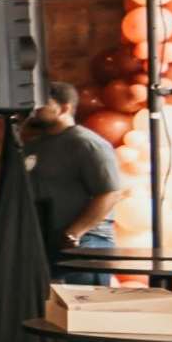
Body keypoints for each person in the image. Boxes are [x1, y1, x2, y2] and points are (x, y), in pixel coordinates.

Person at [22, 98, 123, 261]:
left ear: (64, 108)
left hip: (86, 242)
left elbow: (110, 193)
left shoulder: (87, 143)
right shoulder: (34, 145)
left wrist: (74, 233)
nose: (35, 109)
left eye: (43, 104)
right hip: (46, 243)